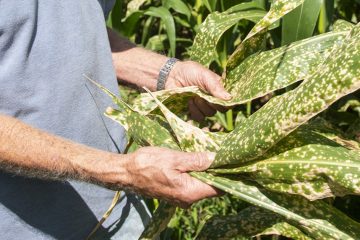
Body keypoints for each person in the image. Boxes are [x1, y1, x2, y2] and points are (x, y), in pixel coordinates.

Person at [0, 1, 231, 239]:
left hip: (121, 206)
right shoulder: (121, 173)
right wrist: (120, 172)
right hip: (31, 228)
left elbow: (78, 33)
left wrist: (166, 73)